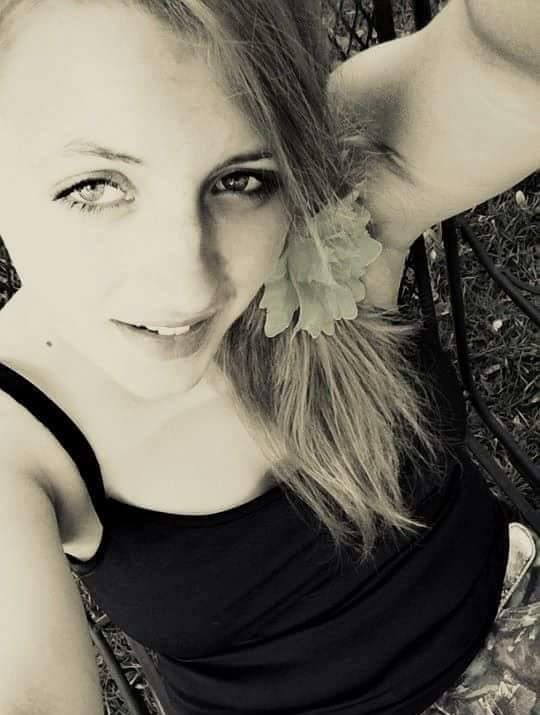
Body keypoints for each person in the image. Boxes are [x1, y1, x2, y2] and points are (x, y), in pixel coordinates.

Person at [0, 0, 538, 713]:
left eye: (241, 179)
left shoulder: (327, 209)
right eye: (93, 185)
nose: (188, 286)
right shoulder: (14, 432)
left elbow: (508, 62)